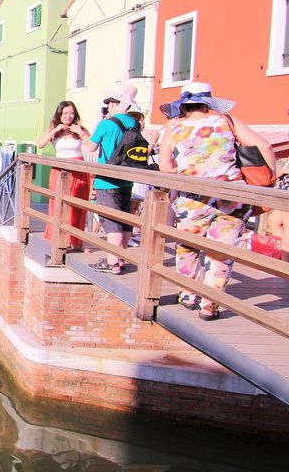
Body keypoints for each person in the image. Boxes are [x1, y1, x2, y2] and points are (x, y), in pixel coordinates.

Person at [157, 82, 276, 320]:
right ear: (208, 102)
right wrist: (269, 179)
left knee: (188, 246)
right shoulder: (227, 121)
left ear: (183, 105)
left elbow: (165, 166)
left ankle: (188, 294)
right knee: (221, 252)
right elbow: (264, 145)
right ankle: (209, 304)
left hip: (193, 199)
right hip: (231, 197)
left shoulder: (174, 127)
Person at [78, 83, 142, 275]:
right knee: (124, 218)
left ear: (114, 104)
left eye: (109, 103)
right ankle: (121, 258)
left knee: (110, 220)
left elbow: (91, 147)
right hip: (127, 177)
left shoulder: (106, 124)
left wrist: (83, 132)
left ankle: (112, 261)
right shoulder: (135, 124)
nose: (108, 106)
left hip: (107, 178)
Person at [35, 101, 90, 251]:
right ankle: (59, 238)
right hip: (59, 171)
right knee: (58, 204)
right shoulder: (55, 130)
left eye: (71, 113)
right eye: (65, 113)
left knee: (76, 206)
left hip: (78, 170)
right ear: (59, 115)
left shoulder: (79, 129)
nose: (68, 116)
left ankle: (75, 240)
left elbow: (92, 146)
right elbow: (40, 144)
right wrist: (55, 130)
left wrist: (81, 132)